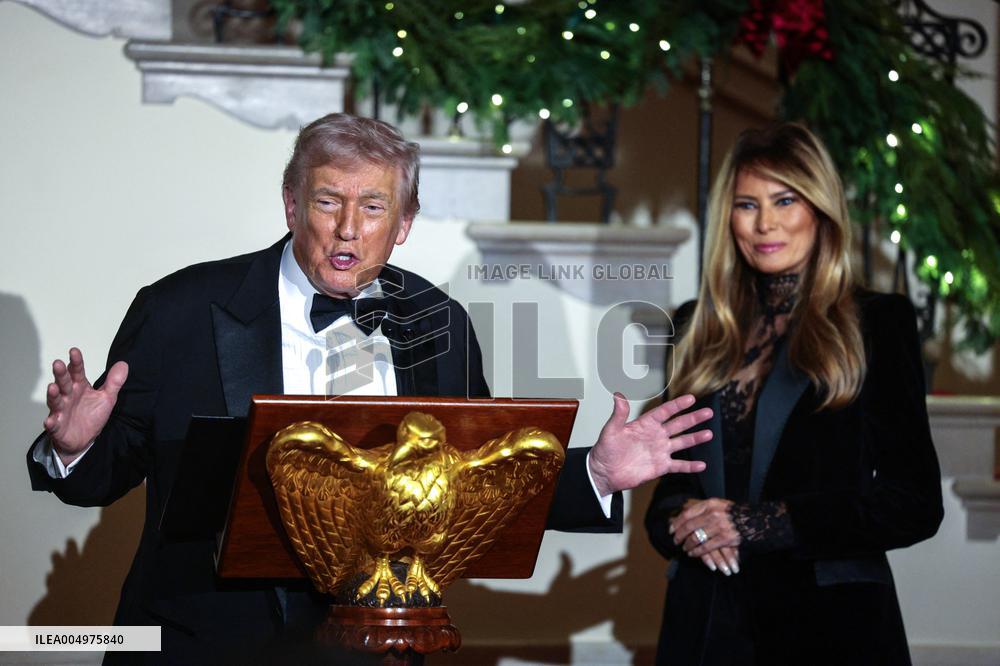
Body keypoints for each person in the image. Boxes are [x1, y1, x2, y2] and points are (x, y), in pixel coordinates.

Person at [27, 113, 713, 664]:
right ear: (293, 205)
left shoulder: (441, 322)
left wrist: (593, 470)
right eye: (328, 200)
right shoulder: (179, 309)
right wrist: (74, 447)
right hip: (198, 642)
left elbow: (469, 488)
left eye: (373, 205)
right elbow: (102, 477)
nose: (347, 228)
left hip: (374, 646)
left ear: (404, 223)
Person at [645, 123, 944, 666]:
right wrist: (684, 521)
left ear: (820, 209)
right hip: (705, 622)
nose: (766, 224)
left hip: (829, 628)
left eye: (785, 200)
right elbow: (668, 494)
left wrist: (757, 522)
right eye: (746, 204)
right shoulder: (695, 328)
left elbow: (914, 505)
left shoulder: (876, 323)